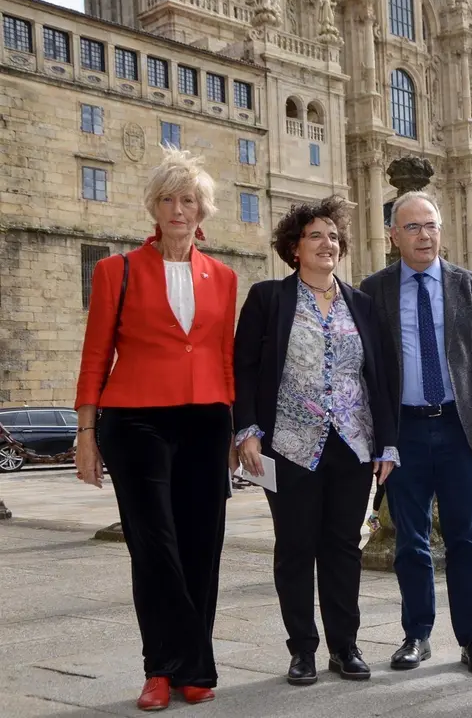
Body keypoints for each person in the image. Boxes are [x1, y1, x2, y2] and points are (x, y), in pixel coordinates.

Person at [74, 148, 238, 711]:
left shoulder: (224, 276)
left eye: (187, 199)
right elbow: (96, 355)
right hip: (136, 420)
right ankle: (162, 668)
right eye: (167, 199)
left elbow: (222, 356)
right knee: (154, 548)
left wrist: (235, 431)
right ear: (154, 207)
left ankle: (190, 669)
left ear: (202, 210)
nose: (177, 209)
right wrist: (86, 435)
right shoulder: (114, 270)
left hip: (206, 420)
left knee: (202, 546)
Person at [233, 198, 398, 684]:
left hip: (351, 443)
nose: (327, 244)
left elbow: (381, 378)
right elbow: (242, 368)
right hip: (288, 444)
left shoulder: (362, 304)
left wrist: (387, 443)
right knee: (295, 546)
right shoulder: (268, 298)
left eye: (333, 237)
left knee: (344, 547)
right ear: (293, 247)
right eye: (315, 236)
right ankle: (302, 649)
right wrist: (246, 430)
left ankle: (345, 646)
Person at [360, 191, 472, 674]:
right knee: (410, 541)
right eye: (414, 227)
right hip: (403, 432)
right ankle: (416, 636)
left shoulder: (468, 285)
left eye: (432, 226)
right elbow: (370, 370)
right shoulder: (374, 289)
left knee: (466, 538)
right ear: (393, 235)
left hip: (457, 428)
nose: (425, 235)